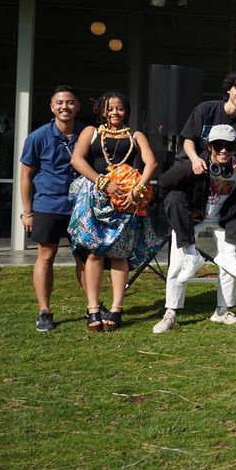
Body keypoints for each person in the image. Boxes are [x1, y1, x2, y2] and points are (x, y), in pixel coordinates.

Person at [68, 91, 162, 331]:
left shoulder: (136, 135)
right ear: (101, 111)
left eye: (119, 108)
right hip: (95, 199)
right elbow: (77, 160)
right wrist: (103, 182)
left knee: (120, 254)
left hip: (126, 201)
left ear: (126, 111)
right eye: (109, 109)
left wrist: (137, 191)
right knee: (93, 253)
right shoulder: (91, 132)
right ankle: (93, 309)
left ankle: (117, 308)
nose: (114, 113)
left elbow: (151, 163)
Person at [153, 124, 236, 333]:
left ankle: (223, 311)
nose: (224, 151)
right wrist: (179, 213)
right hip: (194, 217)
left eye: (229, 146)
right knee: (178, 263)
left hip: (223, 219)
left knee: (230, 263)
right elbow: (163, 185)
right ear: (209, 147)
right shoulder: (195, 165)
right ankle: (170, 313)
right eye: (218, 146)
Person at [20, 85, 86, 331]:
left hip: (81, 207)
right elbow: (26, 175)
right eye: (59, 102)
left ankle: (93, 306)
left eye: (69, 102)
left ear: (77, 107)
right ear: (51, 107)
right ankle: (44, 311)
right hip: (48, 205)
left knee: (85, 257)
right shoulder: (38, 136)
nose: (64, 106)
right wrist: (27, 212)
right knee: (46, 256)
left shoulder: (87, 133)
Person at [177, 71, 236, 176]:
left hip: (222, 174)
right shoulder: (205, 110)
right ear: (228, 89)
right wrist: (195, 159)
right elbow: (188, 140)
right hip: (193, 165)